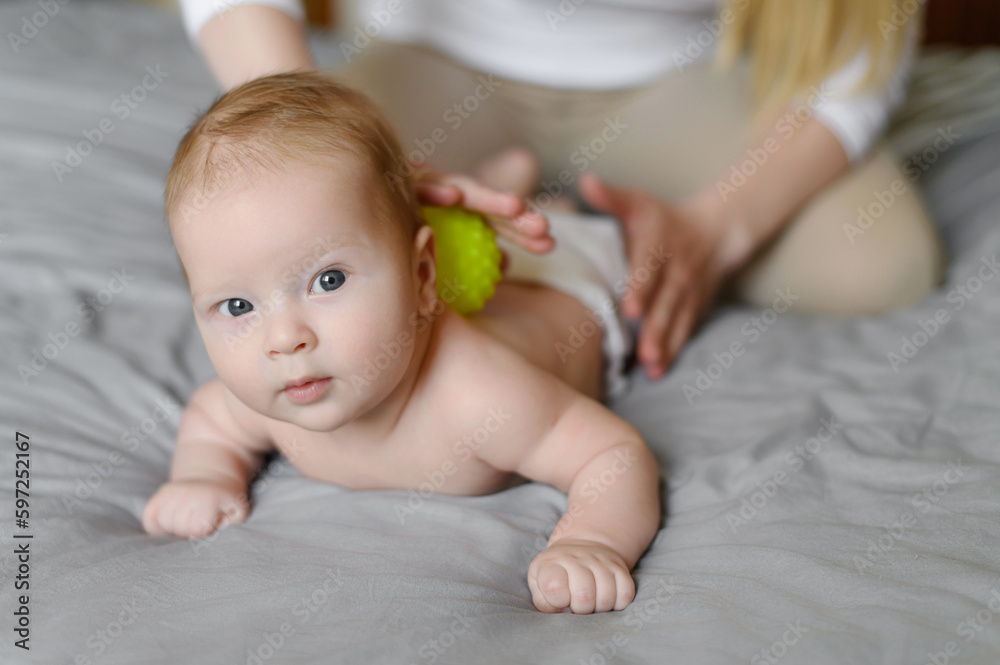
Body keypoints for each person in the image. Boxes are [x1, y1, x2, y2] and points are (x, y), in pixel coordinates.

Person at [177, 0, 945, 383]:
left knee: (878, 261)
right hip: (433, 54)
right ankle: (535, 206)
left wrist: (721, 228)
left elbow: (861, 28)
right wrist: (314, 148)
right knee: (284, 238)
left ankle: (562, 219)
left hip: (674, 73)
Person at [142, 71, 661, 615]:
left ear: (422, 275)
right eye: (238, 307)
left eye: (329, 280)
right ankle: (495, 183)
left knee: (563, 236)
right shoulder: (272, 391)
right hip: (442, 268)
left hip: (564, 275)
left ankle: (520, 201)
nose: (285, 339)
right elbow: (212, 420)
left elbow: (612, 455)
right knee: (383, 223)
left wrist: (592, 540)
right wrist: (204, 476)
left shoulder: (481, 398)